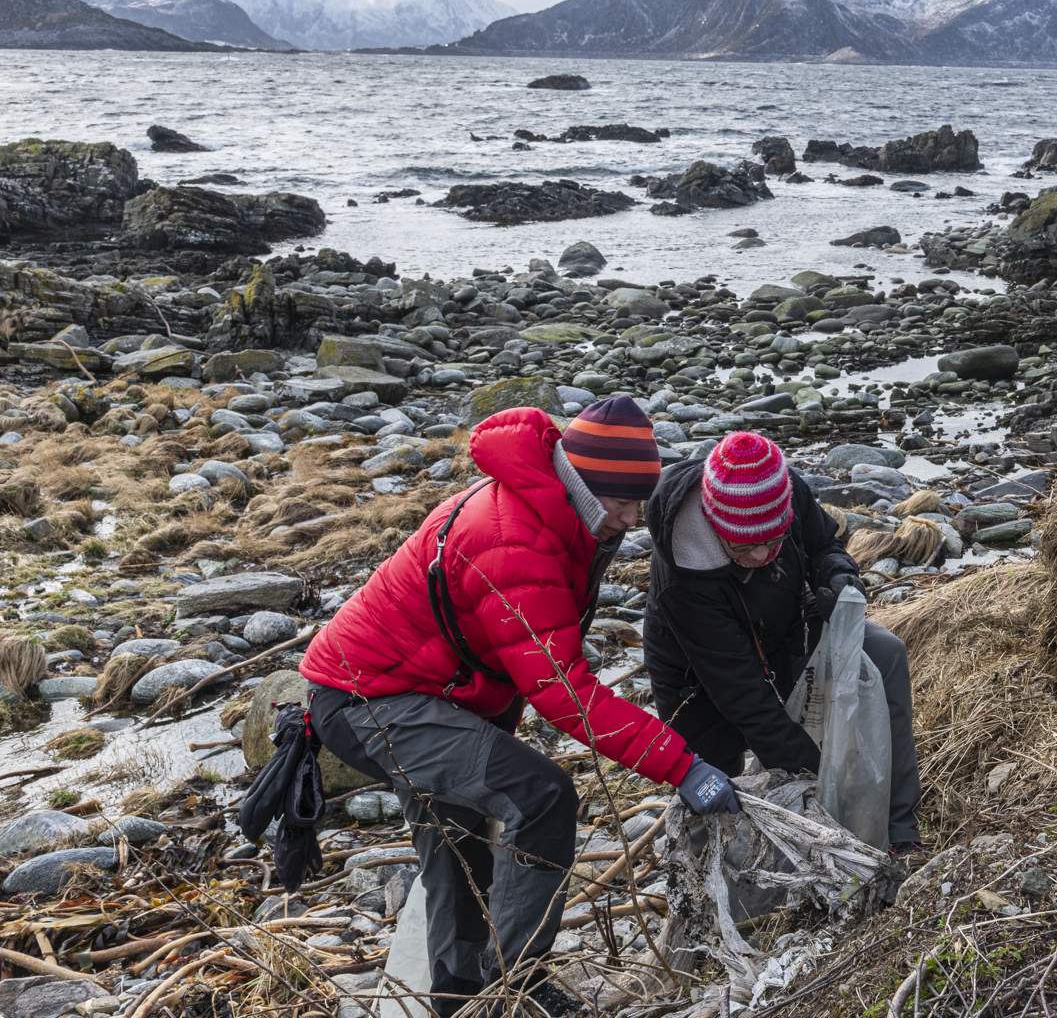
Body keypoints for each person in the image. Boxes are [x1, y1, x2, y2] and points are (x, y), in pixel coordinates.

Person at [298, 397, 740, 1018]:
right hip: (370, 699)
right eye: (622, 504)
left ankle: (464, 999)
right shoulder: (511, 541)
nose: (631, 518)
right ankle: (512, 985)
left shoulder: (560, 508)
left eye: (640, 504)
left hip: (434, 692)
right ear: (586, 486)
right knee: (542, 797)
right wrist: (683, 766)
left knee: (458, 842)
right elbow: (564, 692)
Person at [643, 430, 923, 855]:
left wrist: (837, 574)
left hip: (789, 628)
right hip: (697, 679)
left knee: (883, 654)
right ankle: (718, 890)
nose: (759, 557)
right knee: (714, 787)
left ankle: (899, 829)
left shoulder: (785, 490)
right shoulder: (682, 572)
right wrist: (814, 772)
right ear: (715, 524)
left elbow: (824, 544)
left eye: (772, 542)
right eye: (743, 546)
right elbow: (744, 695)